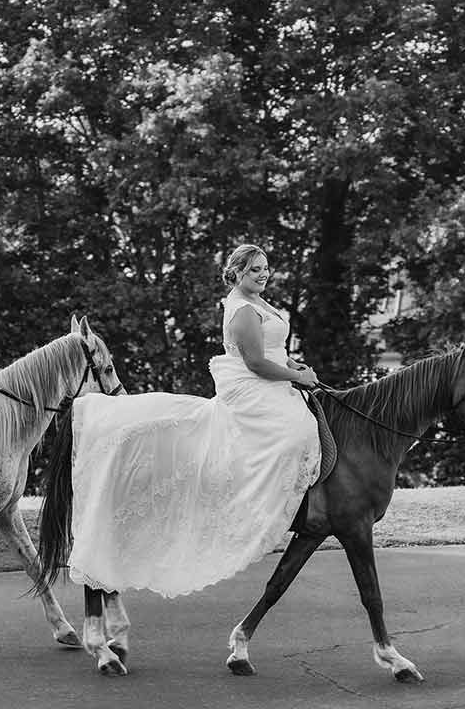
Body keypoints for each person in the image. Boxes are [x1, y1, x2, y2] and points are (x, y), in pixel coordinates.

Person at [65, 243, 321, 597]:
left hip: (272, 377)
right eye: (254, 270)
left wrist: (294, 366)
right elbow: (257, 363)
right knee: (294, 432)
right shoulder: (243, 309)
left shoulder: (260, 302)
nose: (263, 274)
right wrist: (296, 379)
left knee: (309, 419)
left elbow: (273, 351)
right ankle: (259, 505)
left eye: (265, 268)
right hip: (254, 385)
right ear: (237, 273)